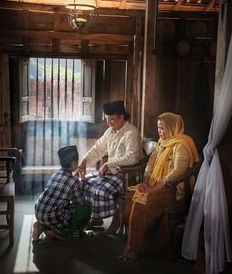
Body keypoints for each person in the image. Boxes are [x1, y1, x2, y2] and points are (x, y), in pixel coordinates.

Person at [119, 112, 199, 261]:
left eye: (162, 128)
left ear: (173, 127)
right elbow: (150, 163)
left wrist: (153, 189)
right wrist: (145, 182)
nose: (159, 132)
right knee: (132, 195)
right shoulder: (162, 142)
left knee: (142, 201)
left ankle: (137, 248)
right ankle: (138, 242)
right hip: (156, 184)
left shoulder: (182, 144)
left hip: (173, 190)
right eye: (158, 128)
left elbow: (177, 173)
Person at [78, 100, 143, 232]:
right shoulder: (110, 131)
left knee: (100, 190)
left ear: (122, 117)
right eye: (107, 119)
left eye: (112, 119)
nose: (109, 123)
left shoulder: (131, 132)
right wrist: (84, 161)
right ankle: (96, 218)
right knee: (83, 183)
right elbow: (98, 149)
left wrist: (108, 164)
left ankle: (117, 218)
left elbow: (133, 157)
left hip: (126, 176)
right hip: (112, 173)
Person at [32, 145, 91, 241]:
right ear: (73, 164)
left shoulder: (55, 175)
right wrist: (83, 179)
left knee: (64, 204)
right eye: (77, 161)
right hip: (51, 216)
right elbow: (80, 202)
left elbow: (67, 186)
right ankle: (62, 232)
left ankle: (42, 225)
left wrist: (78, 180)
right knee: (85, 209)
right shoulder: (73, 181)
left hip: (39, 211)